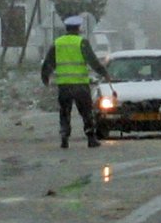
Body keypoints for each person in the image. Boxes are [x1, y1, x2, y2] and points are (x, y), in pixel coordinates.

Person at [41, 15, 111, 149]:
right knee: (86, 112)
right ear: (78, 28)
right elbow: (93, 61)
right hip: (80, 85)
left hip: (64, 85)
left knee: (65, 111)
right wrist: (104, 73)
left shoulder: (58, 42)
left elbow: (48, 62)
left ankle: (64, 137)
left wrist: (45, 77)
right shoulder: (82, 42)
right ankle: (91, 138)